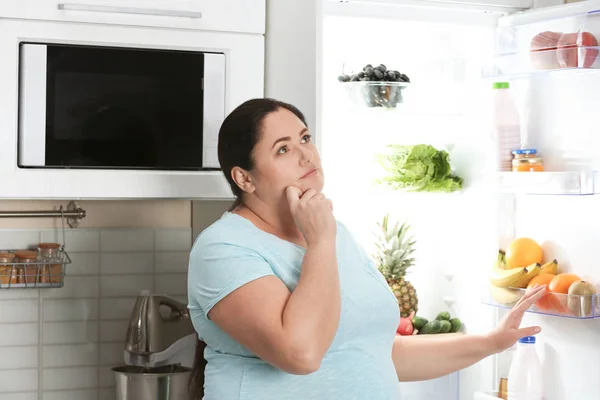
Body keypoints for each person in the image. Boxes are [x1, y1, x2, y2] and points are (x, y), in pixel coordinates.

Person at [187, 98, 546, 400]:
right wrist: (320, 242)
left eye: (305, 138)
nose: (307, 155)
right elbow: (301, 354)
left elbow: (377, 353)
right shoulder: (223, 248)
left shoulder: (335, 234)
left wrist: (492, 342)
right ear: (244, 178)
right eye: (283, 149)